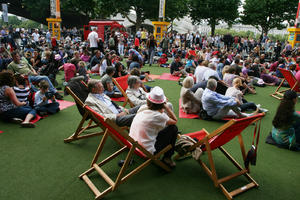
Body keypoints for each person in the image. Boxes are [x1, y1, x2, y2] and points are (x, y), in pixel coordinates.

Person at [129, 86, 178, 168]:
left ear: (148, 101)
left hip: (132, 144)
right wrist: (166, 107)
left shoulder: (143, 107)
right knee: (173, 128)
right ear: (162, 103)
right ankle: (167, 157)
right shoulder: (159, 116)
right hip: (146, 151)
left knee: (158, 127)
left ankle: (167, 157)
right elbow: (174, 120)